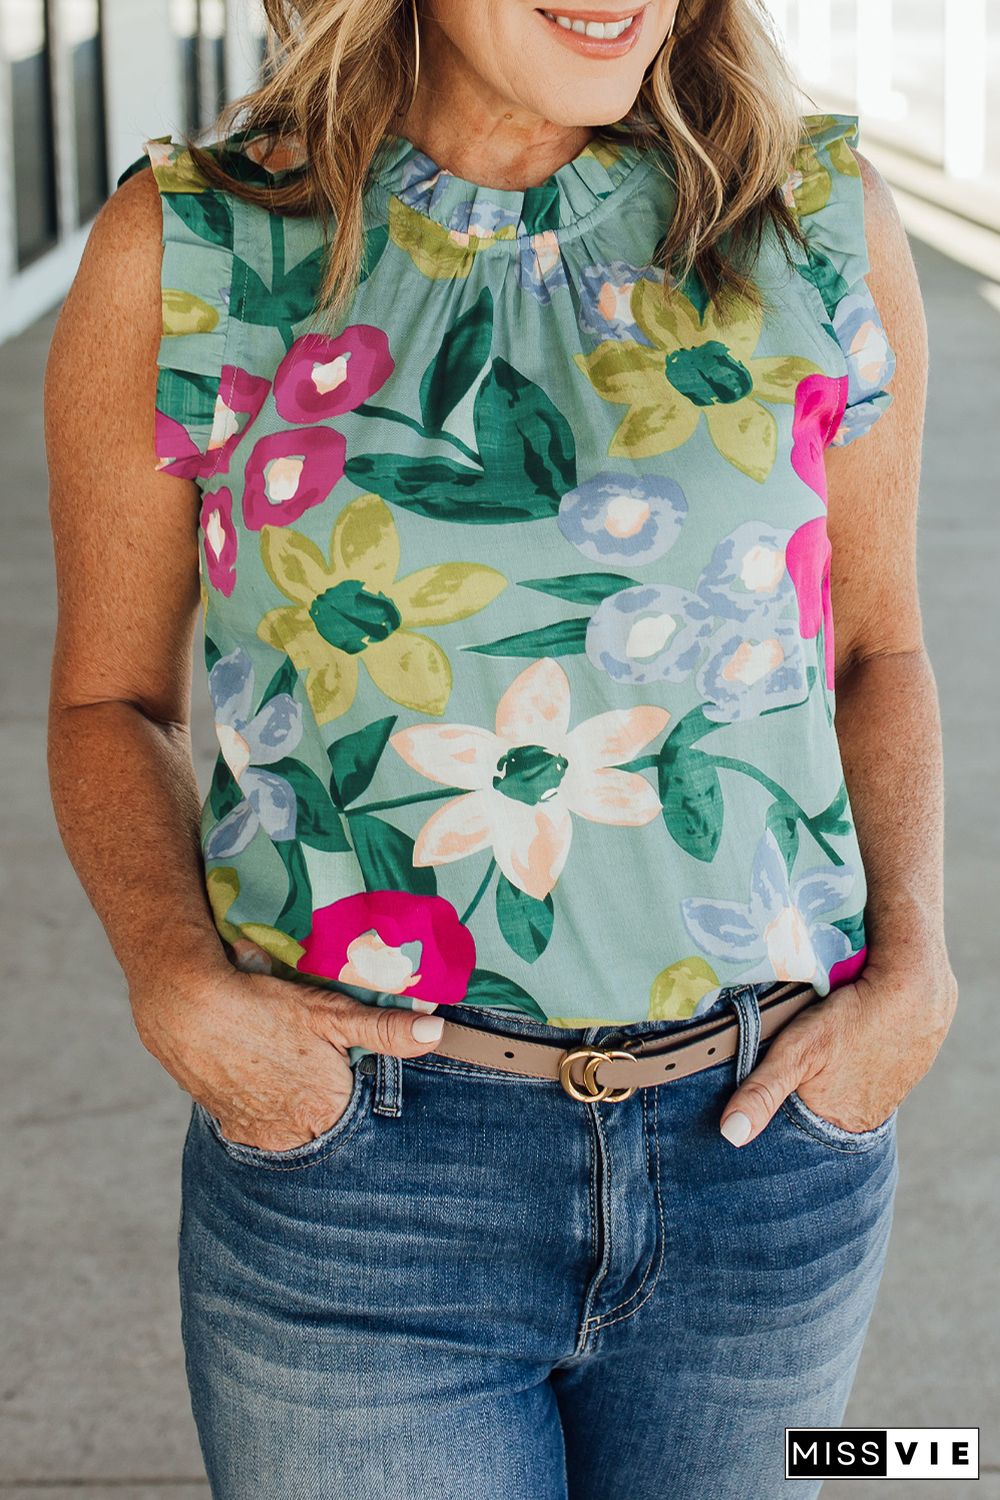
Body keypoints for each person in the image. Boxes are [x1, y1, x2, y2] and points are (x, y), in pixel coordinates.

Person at [44, 0, 957, 1494]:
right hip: (364, 1181)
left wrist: (914, 968)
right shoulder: (195, 248)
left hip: (770, 1152)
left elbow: (877, 651)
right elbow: (107, 705)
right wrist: (178, 984)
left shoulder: (815, 222)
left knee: (876, 1473)